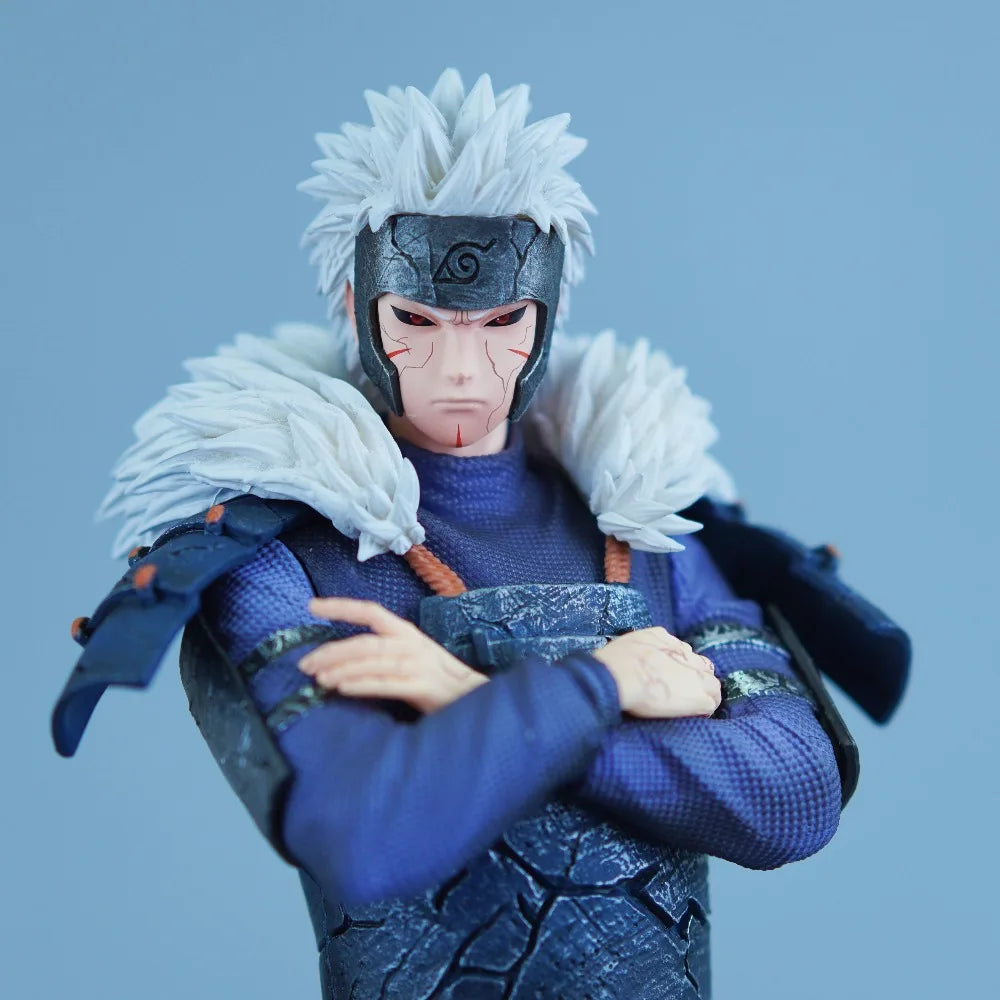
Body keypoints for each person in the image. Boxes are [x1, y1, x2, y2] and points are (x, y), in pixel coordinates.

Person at [54, 70, 894, 999]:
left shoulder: (647, 530)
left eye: (499, 323)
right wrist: (605, 685)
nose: (461, 368)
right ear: (357, 305)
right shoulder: (283, 557)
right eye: (417, 321)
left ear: (546, 319)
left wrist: (467, 697)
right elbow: (364, 833)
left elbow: (793, 796)